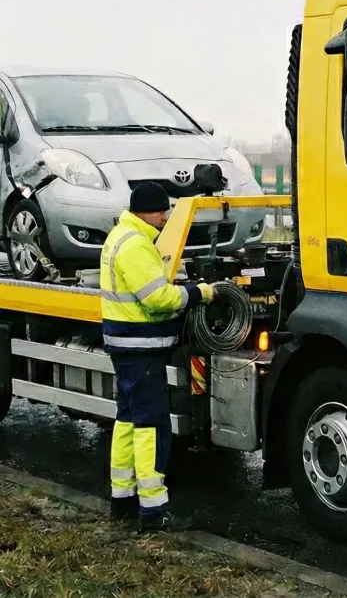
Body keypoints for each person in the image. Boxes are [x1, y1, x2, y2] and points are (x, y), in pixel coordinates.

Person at [100, 181, 215, 531]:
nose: (165, 218)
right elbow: (156, 298)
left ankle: (122, 499)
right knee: (151, 425)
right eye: (161, 212)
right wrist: (197, 293)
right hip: (140, 349)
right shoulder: (136, 244)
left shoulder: (119, 236)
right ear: (145, 213)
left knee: (127, 421)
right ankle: (153, 510)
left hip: (126, 346)